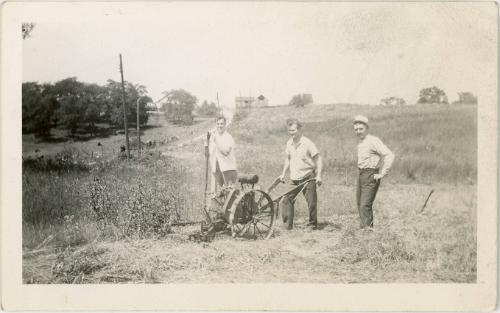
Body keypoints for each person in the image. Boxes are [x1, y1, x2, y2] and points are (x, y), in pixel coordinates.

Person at [278, 118, 322, 230]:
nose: (291, 133)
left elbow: (318, 159)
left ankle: (312, 224)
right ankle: (287, 226)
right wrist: (283, 173)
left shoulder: (307, 143)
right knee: (286, 199)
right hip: (294, 178)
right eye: (289, 131)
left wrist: (319, 175)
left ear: (299, 130)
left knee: (311, 203)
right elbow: (288, 159)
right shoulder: (289, 143)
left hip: (308, 177)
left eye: (293, 130)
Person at [353, 115, 395, 228]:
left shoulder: (373, 140)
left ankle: (367, 235)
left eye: (361, 129)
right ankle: (364, 230)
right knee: (359, 204)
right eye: (356, 129)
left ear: (367, 128)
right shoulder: (361, 143)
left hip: (371, 175)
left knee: (365, 205)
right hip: (361, 175)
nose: (358, 132)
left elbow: (389, 154)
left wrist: (383, 173)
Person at [206, 116, 237, 192]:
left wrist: (216, 141)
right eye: (218, 124)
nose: (220, 126)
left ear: (225, 124)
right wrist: (206, 143)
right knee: (220, 195)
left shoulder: (228, 137)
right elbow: (209, 152)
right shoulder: (213, 136)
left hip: (228, 169)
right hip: (216, 170)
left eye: (222, 124)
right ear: (216, 125)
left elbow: (226, 152)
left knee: (229, 194)